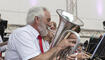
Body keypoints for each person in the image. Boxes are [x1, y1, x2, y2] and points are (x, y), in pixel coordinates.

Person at [5, 6, 77, 60]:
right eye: (48, 20)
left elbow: (48, 57)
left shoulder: (42, 38)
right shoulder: (22, 33)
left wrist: (64, 56)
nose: (50, 24)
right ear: (37, 19)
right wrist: (59, 46)